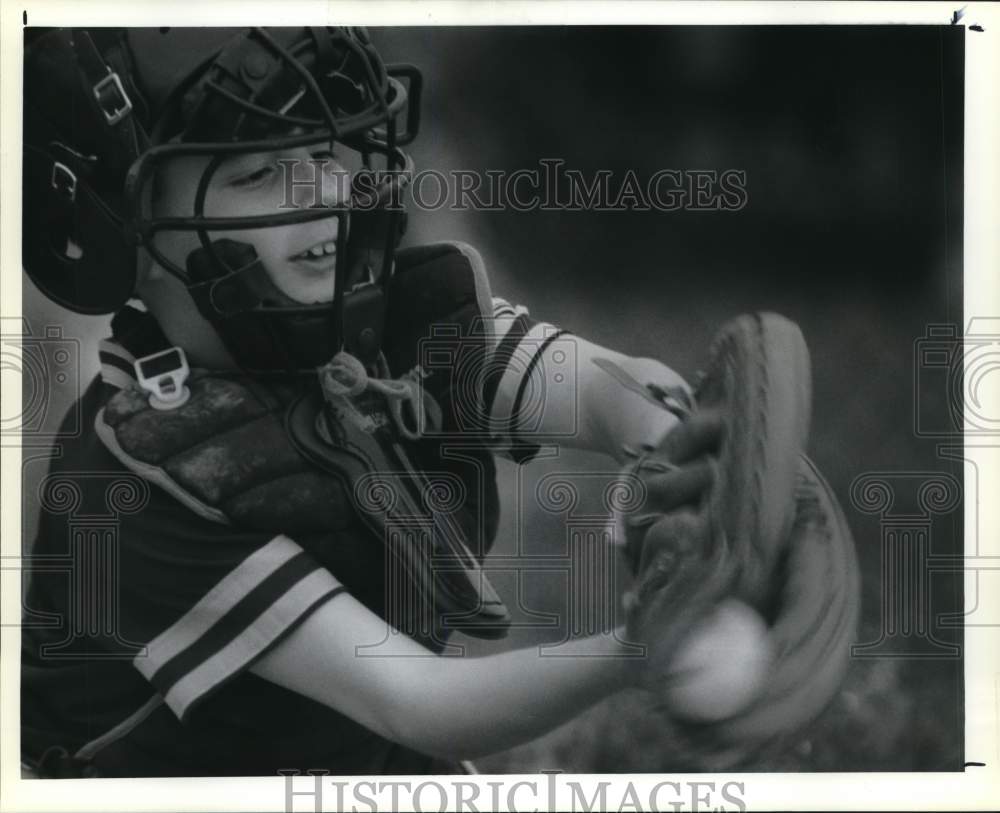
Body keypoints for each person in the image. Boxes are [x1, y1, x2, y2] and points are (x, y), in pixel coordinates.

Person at [20, 26, 714, 777]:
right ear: (121, 224)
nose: (320, 191)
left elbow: (594, 387)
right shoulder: (132, 475)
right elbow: (420, 704)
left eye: (321, 154)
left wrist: (673, 441)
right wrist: (643, 646)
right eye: (257, 174)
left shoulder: (377, 326)